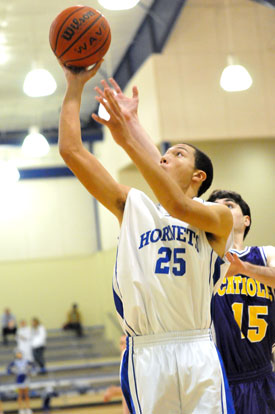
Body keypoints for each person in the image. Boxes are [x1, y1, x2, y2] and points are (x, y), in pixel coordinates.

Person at [58, 63, 234, 413]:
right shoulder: (133, 206)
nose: (166, 156)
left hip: (197, 348)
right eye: (164, 154)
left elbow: (177, 203)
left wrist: (127, 135)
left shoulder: (216, 216)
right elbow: (72, 152)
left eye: (177, 153)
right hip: (147, 353)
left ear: (199, 175)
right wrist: (74, 85)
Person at [207, 189, 275, 414]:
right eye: (214, 206)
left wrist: (244, 268)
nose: (221, 208)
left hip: (263, 373)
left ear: (246, 220)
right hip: (217, 379)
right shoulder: (203, 260)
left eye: (229, 205)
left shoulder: (264, 255)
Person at [103, 335, 129, 414]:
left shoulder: (135, 360)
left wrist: (115, 390)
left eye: (126, 343)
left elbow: (136, 388)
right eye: (121, 343)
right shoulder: (124, 361)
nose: (124, 346)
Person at [7, 350, 34, 414]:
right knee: (20, 395)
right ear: (16, 355)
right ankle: (20, 409)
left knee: (26, 394)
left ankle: (28, 408)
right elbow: (8, 368)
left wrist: (30, 370)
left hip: (25, 378)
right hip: (18, 379)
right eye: (18, 354)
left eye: (20, 354)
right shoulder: (15, 362)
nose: (19, 355)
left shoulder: (25, 361)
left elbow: (33, 365)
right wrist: (11, 372)